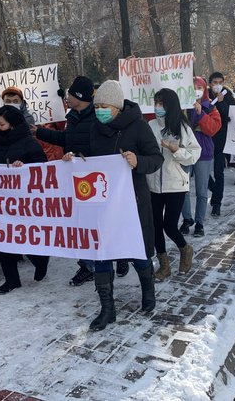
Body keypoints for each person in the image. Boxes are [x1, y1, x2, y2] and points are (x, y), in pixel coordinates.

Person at [67, 80, 163, 332]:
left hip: (133, 202)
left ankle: (148, 289)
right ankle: (107, 309)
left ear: (117, 107)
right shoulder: (95, 127)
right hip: (102, 203)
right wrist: (76, 159)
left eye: (104, 106)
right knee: (102, 254)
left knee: (137, 251)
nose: (99, 110)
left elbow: (156, 158)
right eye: (97, 105)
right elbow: (88, 155)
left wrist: (137, 161)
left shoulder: (139, 127)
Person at [35, 75, 97, 287]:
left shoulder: (97, 117)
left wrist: (85, 157)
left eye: (70, 93)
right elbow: (66, 139)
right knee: (81, 223)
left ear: (79, 96)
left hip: (95, 180)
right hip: (75, 178)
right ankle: (88, 265)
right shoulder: (72, 116)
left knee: (95, 223)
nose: (67, 97)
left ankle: (114, 259)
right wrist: (40, 132)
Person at [0, 105, 49, 294]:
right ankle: (11, 280)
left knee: (22, 237)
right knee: (2, 239)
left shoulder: (29, 142)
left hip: (22, 203)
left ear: (13, 125)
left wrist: (25, 166)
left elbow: (42, 168)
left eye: (1, 124)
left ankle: (40, 259)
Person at [147, 89, 201, 281]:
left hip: (175, 185)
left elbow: (194, 156)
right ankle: (164, 266)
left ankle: (185, 249)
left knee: (169, 225)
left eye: (161, 104)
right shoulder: (150, 126)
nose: (157, 107)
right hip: (153, 185)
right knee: (155, 225)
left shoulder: (182, 128)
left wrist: (176, 150)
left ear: (170, 106)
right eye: (156, 103)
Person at [180, 77, 221, 237]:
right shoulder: (181, 106)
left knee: (202, 191)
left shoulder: (210, 107)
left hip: (203, 153)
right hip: (184, 152)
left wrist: (201, 114)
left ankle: (199, 222)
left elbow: (213, 129)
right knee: (183, 188)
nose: (196, 91)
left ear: (204, 90)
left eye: (199, 88)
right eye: (193, 88)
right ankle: (186, 219)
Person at [207, 72, 235, 217]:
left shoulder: (228, 95)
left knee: (219, 172)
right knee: (204, 172)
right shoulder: (204, 95)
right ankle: (214, 189)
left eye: (220, 82)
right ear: (210, 84)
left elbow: (230, 116)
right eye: (214, 82)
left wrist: (222, 101)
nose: (217, 85)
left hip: (221, 139)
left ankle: (216, 203)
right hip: (206, 138)